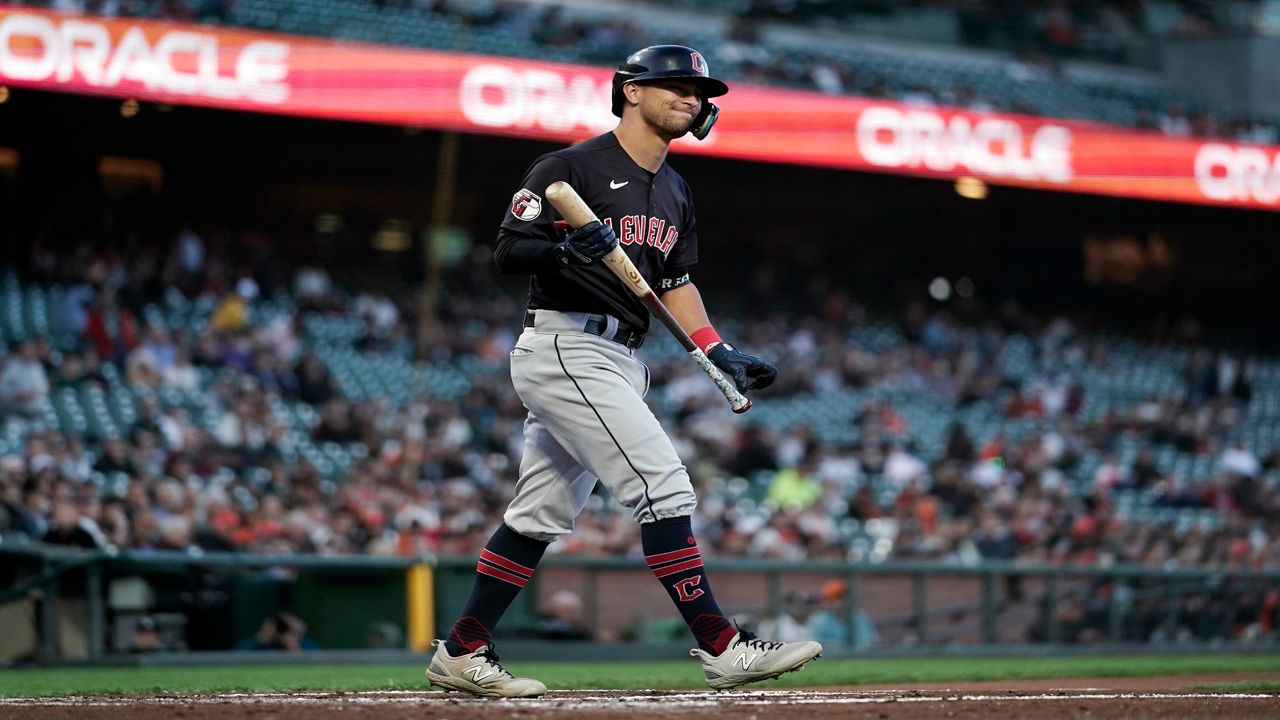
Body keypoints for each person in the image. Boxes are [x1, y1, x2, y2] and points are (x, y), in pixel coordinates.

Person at [425, 44, 820, 699]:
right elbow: (506, 250)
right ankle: (723, 645)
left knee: (540, 513)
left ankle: (463, 649)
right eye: (674, 86)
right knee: (663, 488)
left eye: (698, 93)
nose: (690, 99)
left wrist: (718, 351)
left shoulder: (675, 189)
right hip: (566, 343)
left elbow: (676, 283)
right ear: (630, 91)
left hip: (621, 355)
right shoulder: (571, 166)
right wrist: (560, 250)